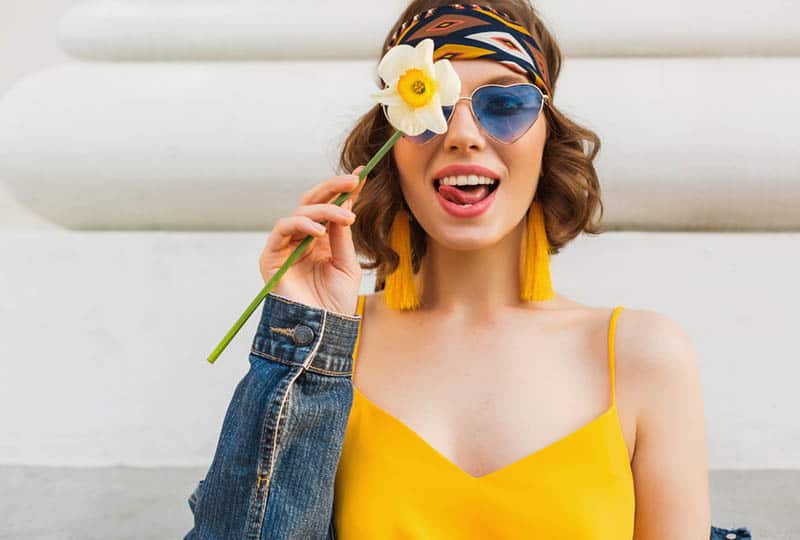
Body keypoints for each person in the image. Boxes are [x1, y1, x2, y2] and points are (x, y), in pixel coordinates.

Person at [184, 1, 738, 538]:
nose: (463, 134)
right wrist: (303, 336)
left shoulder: (644, 356)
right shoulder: (334, 347)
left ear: (548, 138)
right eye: (431, 107)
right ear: (391, 148)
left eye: (505, 104)